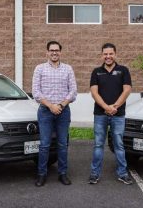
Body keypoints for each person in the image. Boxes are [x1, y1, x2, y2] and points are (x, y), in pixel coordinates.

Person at [32, 41, 77, 187]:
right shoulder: (39, 69)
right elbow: (36, 92)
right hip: (45, 111)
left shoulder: (68, 69)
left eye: (57, 50)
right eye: (51, 50)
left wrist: (61, 105)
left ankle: (62, 174)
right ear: (47, 52)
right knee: (44, 144)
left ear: (61, 52)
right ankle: (41, 174)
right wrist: (51, 106)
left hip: (63, 112)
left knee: (62, 144)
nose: (54, 53)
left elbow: (73, 92)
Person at [88, 43, 133, 185]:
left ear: (115, 54)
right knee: (98, 145)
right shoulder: (96, 72)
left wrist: (115, 106)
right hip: (100, 115)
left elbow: (127, 90)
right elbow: (94, 92)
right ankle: (94, 174)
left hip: (118, 115)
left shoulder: (123, 70)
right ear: (102, 55)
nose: (108, 56)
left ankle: (122, 173)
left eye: (110, 54)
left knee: (119, 144)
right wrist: (106, 107)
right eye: (105, 54)